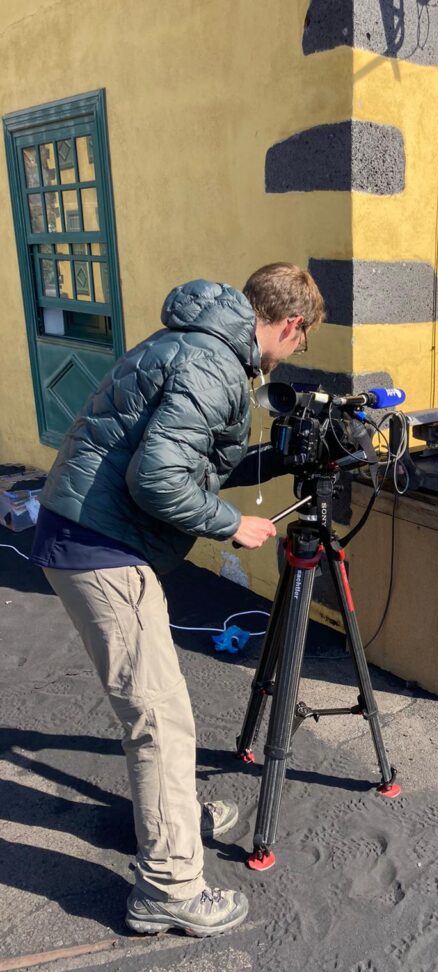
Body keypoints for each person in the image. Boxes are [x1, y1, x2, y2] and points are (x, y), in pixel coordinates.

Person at [30, 264, 325, 937]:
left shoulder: (189, 342)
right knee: (160, 718)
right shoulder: (215, 365)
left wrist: (277, 457)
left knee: (154, 704)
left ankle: (175, 816)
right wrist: (231, 524)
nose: (290, 355)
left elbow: (187, 459)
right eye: (298, 344)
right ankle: (169, 887)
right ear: (290, 324)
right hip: (101, 546)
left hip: (87, 533)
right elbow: (158, 477)